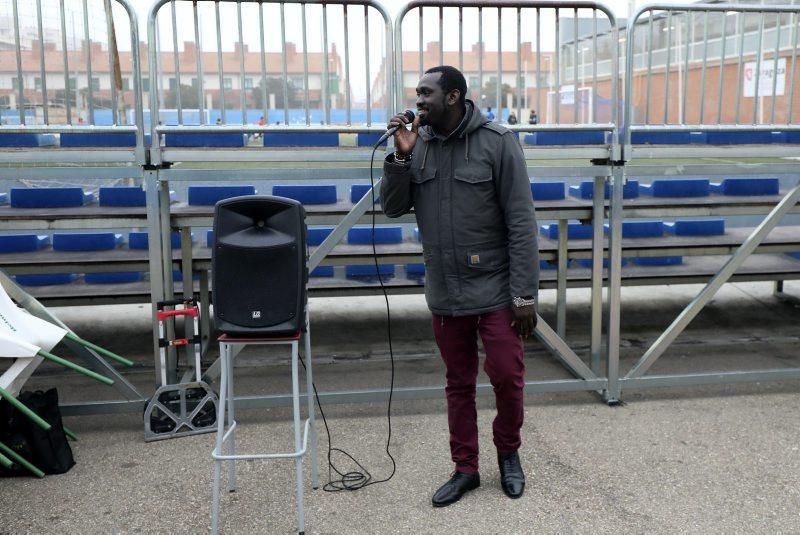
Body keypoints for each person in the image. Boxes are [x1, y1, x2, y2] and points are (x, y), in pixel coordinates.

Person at [381, 66, 539, 507]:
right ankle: (465, 468)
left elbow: (523, 224)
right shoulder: (419, 145)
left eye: (426, 94)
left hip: (495, 290)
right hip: (446, 293)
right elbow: (392, 207)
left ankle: (508, 453)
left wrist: (525, 295)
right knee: (458, 384)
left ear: (453, 97)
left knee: (507, 377)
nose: (418, 101)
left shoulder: (498, 143)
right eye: (417, 93)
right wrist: (400, 156)